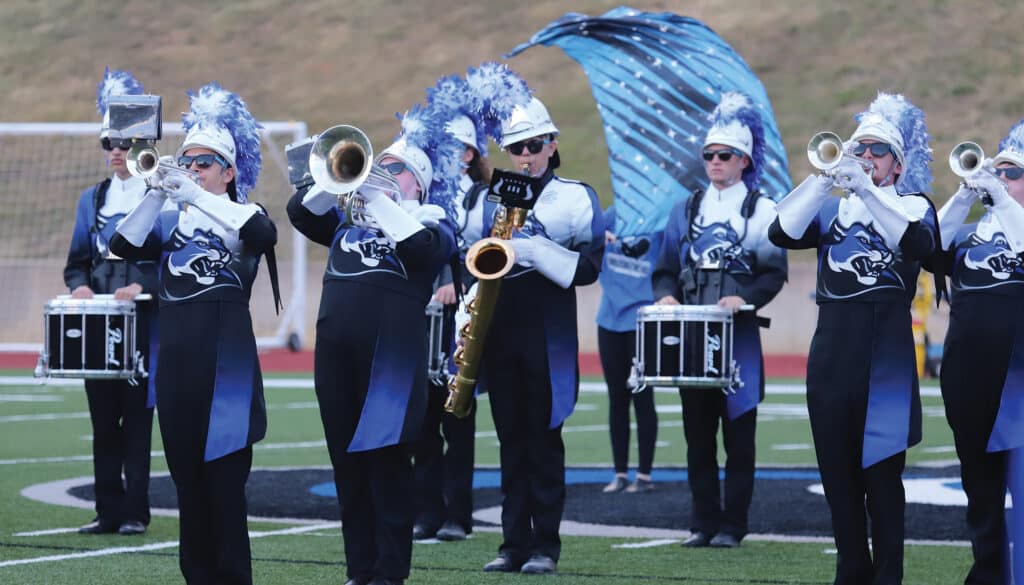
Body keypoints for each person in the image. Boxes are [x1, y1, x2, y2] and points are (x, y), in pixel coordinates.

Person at [769, 92, 939, 584]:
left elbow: (919, 244)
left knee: (882, 480)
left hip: (886, 357)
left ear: (898, 164)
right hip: (831, 353)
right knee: (838, 481)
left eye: (877, 150)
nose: (865, 156)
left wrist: (866, 189)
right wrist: (825, 177)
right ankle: (850, 572)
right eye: (858, 148)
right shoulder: (831, 211)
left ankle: (887, 576)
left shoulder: (912, 204)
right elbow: (780, 230)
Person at [112, 82, 279, 585]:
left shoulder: (244, 216)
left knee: (225, 493)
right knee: (189, 491)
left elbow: (262, 235)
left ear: (229, 171)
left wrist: (198, 197)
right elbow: (122, 245)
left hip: (228, 377)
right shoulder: (170, 223)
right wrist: (156, 192)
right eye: (187, 161)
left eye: (204, 163)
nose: (193, 169)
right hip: (178, 373)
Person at [287, 111, 459, 585]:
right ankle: (359, 570)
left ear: (419, 183)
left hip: (391, 365)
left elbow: (424, 250)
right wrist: (337, 180)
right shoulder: (347, 223)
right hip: (335, 357)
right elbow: (301, 212)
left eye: (395, 168)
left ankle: (389, 573)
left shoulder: (432, 222)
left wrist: (374, 195)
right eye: (378, 164)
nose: (383, 171)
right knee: (348, 468)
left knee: (387, 468)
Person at [459, 96, 605, 575]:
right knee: (509, 442)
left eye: (535, 145)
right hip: (500, 329)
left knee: (544, 441)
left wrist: (537, 250)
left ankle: (545, 546)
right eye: (517, 147)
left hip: (547, 331)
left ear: (552, 145)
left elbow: (589, 268)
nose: (525, 155)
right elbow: (470, 260)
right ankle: (512, 544)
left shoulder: (574, 197)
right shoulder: (489, 198)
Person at [651, 92, 787, 548]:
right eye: (709, 154)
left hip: (739, 337)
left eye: (724, 155)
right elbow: (664, 268)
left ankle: (733, 525)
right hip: (693, 336)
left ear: (744, 160)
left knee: (739, 436)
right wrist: (666, 296)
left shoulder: (764, 210)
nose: (713, 162)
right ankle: (702, 522)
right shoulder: (686, 209)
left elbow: (774, 273)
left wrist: (744, 299)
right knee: (697, 437)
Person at [64, 67, 157, 536]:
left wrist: (140, 286)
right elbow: (76, 262)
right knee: (103, 421)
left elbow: (169, 260)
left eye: (123, 143)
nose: (116, 152)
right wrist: (80, 287)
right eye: (109, 144)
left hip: (143, 323)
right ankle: (107, 509)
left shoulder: (159, 196)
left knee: (137, 420)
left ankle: (136, 511)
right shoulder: (91, 199)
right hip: (100, 324)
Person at [935, 119, 1024, 585]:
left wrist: (1003, 199)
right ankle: (989, 576)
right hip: (969, 376)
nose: (1001, 179)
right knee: (980, 489)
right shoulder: (970, 232)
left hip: (1019, 378)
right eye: (998, 172)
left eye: (1013, 173)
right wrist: (965, 194)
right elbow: (928, 244)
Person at [412, 114, 488, 542]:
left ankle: (458, 515)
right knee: (422, 424)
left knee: (457, 420)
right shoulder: (422, 192)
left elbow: (491, 253)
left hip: (463, 318)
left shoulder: (483, 197)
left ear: (469, 154)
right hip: (422, 315)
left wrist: (458, 283)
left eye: (454, 147)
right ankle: (427, 512)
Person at [596, 204, 662, 494]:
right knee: (616, 398)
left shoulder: (659, 219)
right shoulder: (612, 215)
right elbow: (582, 237)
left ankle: (644, 475)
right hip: (609, 319)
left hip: (643, 319)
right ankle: (620, 473)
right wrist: (597, 236)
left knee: (642, 396)